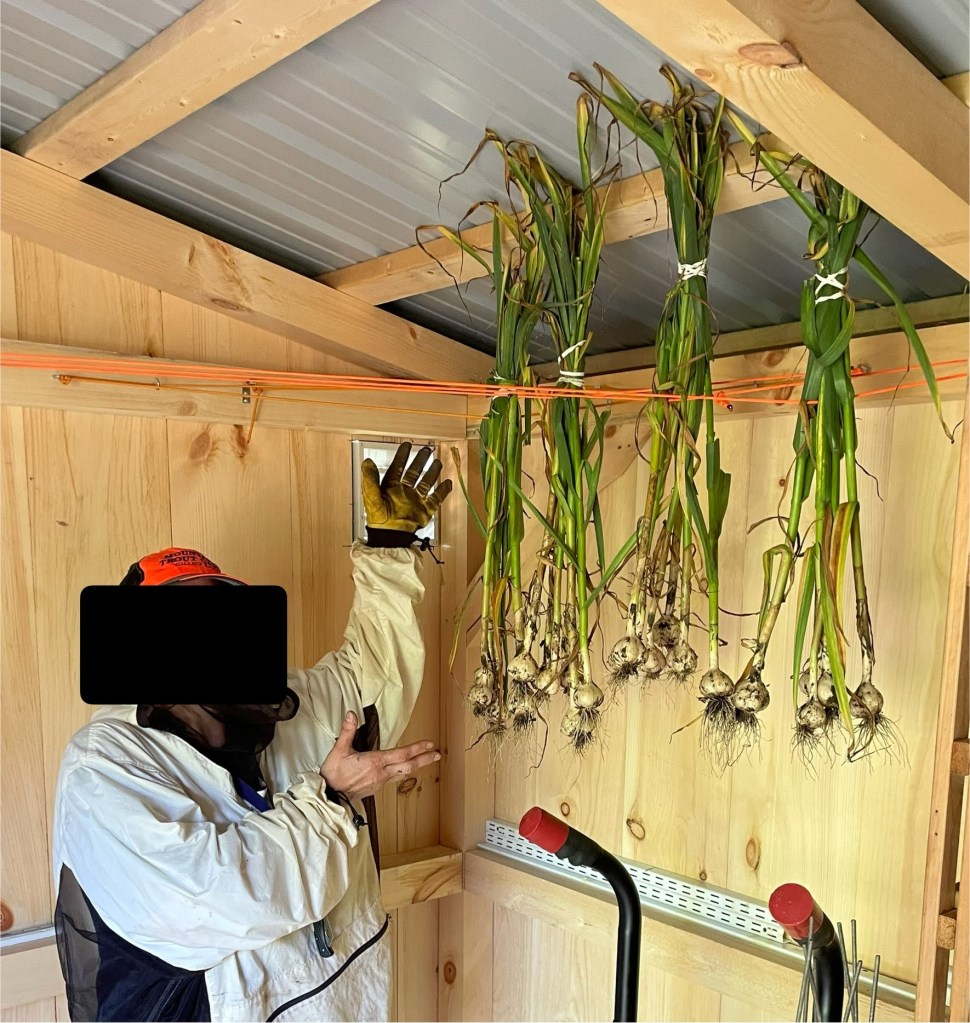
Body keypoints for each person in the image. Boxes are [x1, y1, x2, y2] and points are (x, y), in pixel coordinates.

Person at [52, 443, 452, 1023]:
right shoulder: (102, 765)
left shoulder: (278, 704)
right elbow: (215, 896)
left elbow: (368, 674)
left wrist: (390, 552)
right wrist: (331, 799)